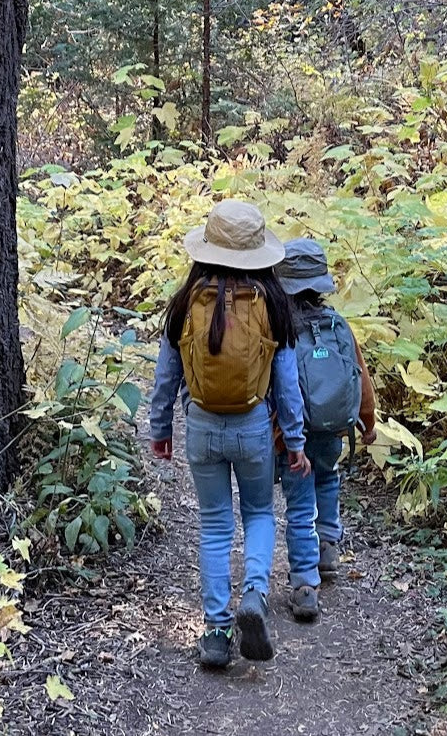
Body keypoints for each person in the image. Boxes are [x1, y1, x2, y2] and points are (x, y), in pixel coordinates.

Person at [150, 199, 312, 669]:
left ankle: (217, 633)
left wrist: (161, 429)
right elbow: (286, 385)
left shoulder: (185, 303)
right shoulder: (273, 304)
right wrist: (296, 442)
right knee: (260, 512)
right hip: (254, 428)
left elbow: (166, 378)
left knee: (216, 525)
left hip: (201, 427)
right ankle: (255, 593)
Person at [274, 237, 377, 623]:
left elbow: (276, 387)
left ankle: (304, 584)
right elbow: (359, 377)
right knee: (328, 479)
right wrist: (368, 421)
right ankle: (328, 546)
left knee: (299, 502)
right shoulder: (339, 325)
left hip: (296, 432)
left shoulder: (282, 330)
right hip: (334, 427)